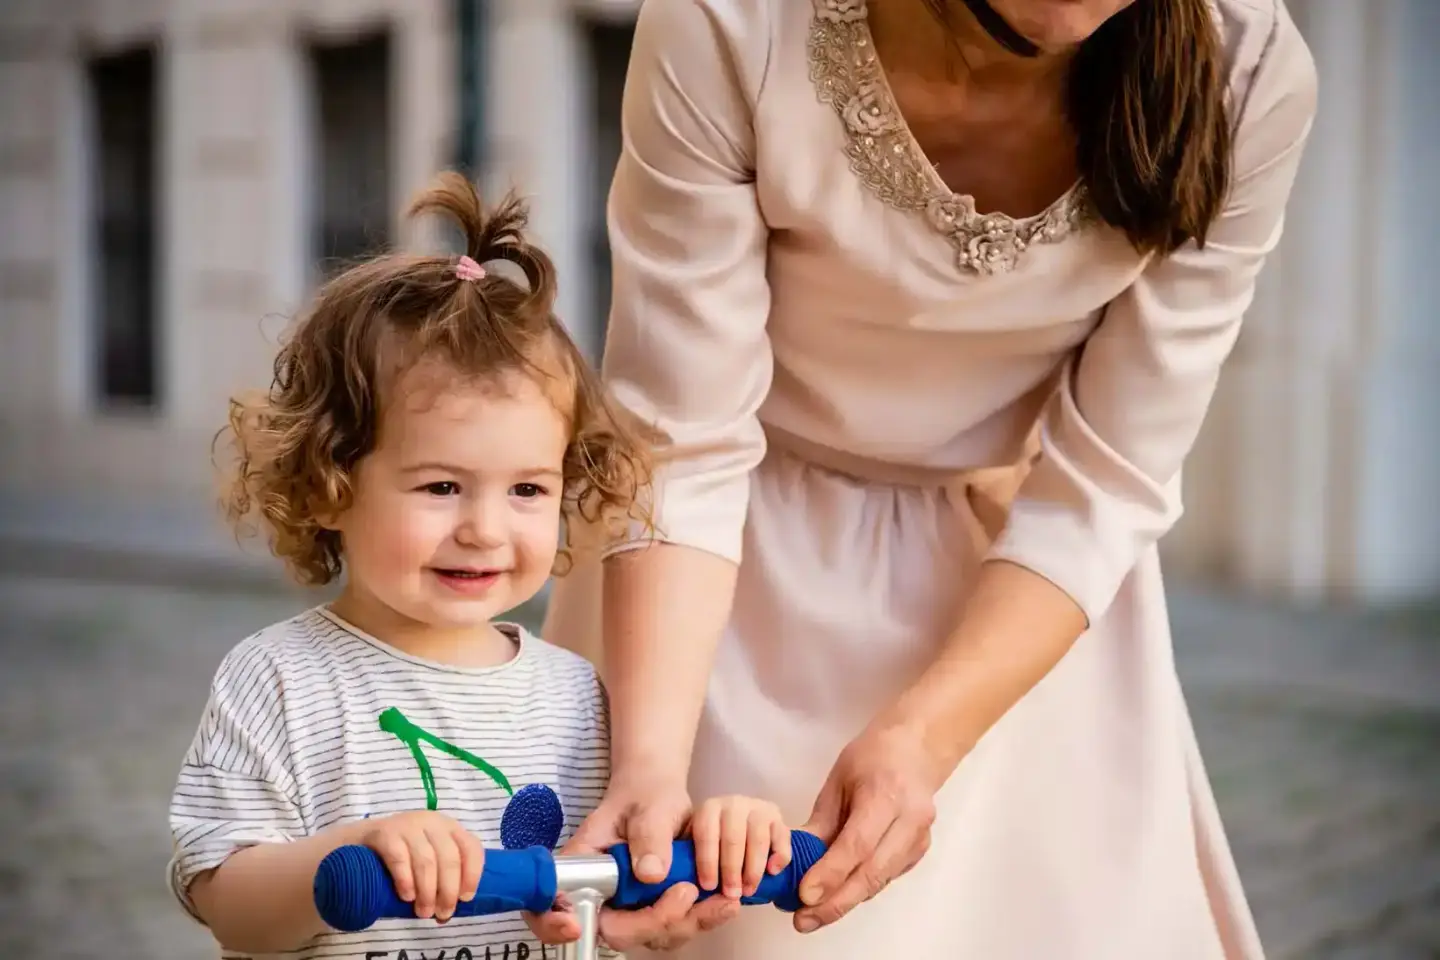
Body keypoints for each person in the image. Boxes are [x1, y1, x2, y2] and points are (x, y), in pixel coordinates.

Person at [538, 0, 1318, 956]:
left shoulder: (1251, 73)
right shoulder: (728, 22)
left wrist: (922, 740)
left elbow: (1107, 481)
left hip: (1016, 599)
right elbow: (683, 442)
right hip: (713, 580)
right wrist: (653, 759)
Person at [165, 172, 793, 959]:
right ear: (330, 482)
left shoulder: (581, 696)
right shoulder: (280, 680)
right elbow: (229, 905)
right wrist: (351, 854)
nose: (486, 530)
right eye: (441, 486)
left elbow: (626, 890)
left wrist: (717, 848)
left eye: (529, 488)